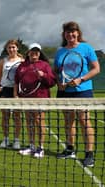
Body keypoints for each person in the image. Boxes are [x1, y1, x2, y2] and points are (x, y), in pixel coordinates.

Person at [54, 21, 100, 167]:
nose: (70, 34)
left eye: (73, 31)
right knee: (68, 122)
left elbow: (96, 68)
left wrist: (81, 79)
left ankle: (89, 154)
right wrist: (59, 82)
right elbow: (56, 71)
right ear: (64, 35)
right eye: (67, 32)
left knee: (84, 121)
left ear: (78, 33)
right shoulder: (60, 51)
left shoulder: (86, 48)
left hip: (83, 91)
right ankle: (70, 149)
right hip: (65, 92)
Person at [14, 43, 56, 158]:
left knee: (39, 121)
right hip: (26, 99)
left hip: (40, 98)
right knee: (29, 121)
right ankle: (31, 146)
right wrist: (16, 95)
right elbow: (17, 81)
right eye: (32, 51)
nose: (34, 54)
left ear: (39, 53)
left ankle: (40, 148)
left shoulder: (45, 65)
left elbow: (52, 82)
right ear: (28, 53)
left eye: (37, 52)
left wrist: (43, 75)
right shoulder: (22, 66)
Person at [0, 39, 23, 149]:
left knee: (17, 116)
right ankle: (5, 139)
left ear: (17, 48)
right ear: (7, 49)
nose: (11, 49)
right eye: (9, 47)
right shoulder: (3, 61)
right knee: (5, 116)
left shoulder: (22, 61)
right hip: (5, 90)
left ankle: (16, 141)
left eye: (13, 47)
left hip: (17, 91)